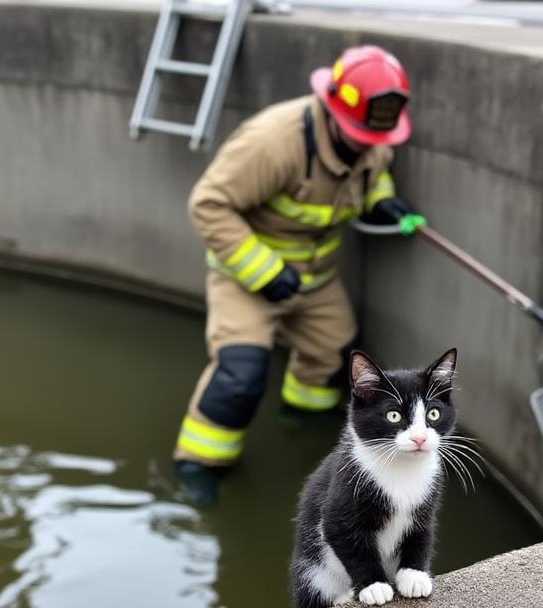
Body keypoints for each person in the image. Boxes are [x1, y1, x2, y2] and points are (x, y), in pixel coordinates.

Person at [172, 45, 425, 503]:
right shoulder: (272, 142)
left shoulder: (373, 138)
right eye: (358, 134)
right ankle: (199, 463)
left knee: (337, 359)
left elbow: (373, 173)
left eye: (375, 137)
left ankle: (301, 420)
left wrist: (382, 200)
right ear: (331, 110)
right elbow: (207, 204)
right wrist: (264, 271)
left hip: (317, 279)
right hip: (247, 277)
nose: (367, 143)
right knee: (240, 376)